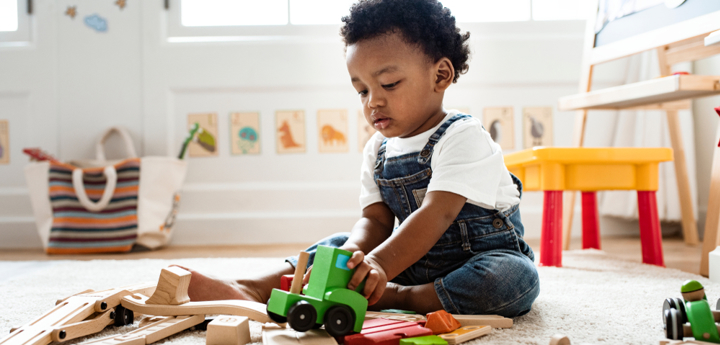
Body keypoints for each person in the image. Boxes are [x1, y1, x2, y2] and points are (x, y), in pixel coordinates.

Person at [180, 0, 539, 317]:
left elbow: (438, 213)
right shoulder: (378, 150)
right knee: (337, 243)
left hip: (477, 261)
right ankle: (254, 287)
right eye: (362, 90)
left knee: (511, 279)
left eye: (389, 84)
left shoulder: (463, 136)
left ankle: (399, 298)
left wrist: (380, 263)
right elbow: (376, 220)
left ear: (440, 75)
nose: (373, 102)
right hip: (410, 261)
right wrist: (354, 257)